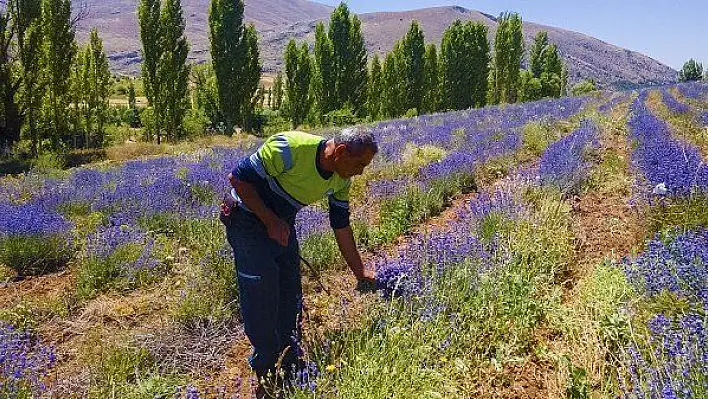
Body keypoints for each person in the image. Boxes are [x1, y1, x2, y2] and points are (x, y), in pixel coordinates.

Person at [222, 128, 377, 397]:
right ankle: (267, 373)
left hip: (281, 224)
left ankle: (289, 358)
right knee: (262, 295)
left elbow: (341, 227)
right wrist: (270, 221)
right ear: (340, 152)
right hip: (246, 219)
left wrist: (360, 272)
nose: (361, 172)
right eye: (359, 164)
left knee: (290, 292)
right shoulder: (289, 148)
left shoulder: (341, 180)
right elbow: (238, 179)